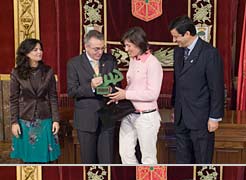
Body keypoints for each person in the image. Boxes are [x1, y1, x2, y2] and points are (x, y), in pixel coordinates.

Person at [169, 16, 224, 164]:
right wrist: (175, 107)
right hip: (181, 117)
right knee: (182, 161)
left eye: (176, 37)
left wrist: (215, 117)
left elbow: (216, 88)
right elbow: (177, 83)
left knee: (202, 160)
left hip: (201, 118)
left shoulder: (209, 53)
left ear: (187, 34)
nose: (174, 41)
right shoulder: (178, 52)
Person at [108, 27, 163, 164]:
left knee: (148, 158)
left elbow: (152, 94)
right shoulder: (133, 60)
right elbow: (132, 86)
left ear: (139, 44)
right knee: (125, 154)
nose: (126, 49)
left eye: (128, 45)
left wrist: (125, 94)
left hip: (146, 117)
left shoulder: (153, 63)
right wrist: (118, 96)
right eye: (125, 45)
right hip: (129, 113)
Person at [67, 30, 118, 164]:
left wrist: (104, 89)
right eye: (96, 49)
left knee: (107, 161)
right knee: (89, 162)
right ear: (86, 47)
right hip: (86, 120)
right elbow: (72, 91)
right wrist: (91, 86)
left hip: (107, 118)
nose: (100, 52)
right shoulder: (74, 64)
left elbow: (116, 85)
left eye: (102, 48)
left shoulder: (110, 60)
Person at [10, 38, 60, 163]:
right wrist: (14, 122)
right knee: (28, 159)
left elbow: (53, 97)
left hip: (45, 119)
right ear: (26, 53)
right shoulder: (16, 73)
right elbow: (14, 99)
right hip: (25, 120)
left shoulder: (48, 71)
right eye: (35, 50)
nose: (39, 52)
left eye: (40, 49)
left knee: (46, 158)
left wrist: (56, 120)